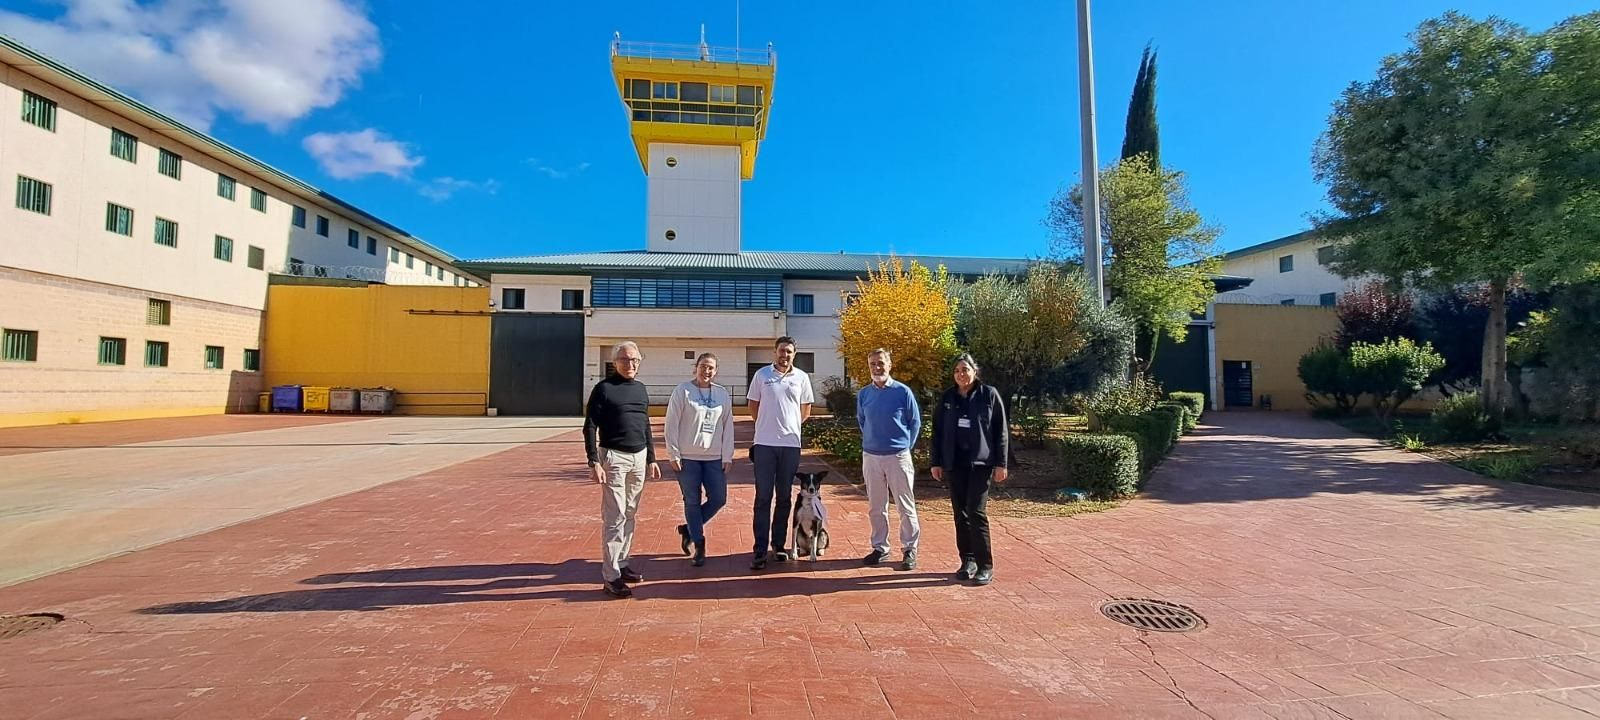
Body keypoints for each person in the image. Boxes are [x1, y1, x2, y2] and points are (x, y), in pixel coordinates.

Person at [583, 341, 661, 598]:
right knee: (614, 517)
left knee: (630, 512)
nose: (631, 365)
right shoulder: (604, 389)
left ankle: (623, 563)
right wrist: (594, 460)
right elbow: (590, 425)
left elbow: (645, 425)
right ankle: (611, 576)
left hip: (639, 458)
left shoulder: (640, 389)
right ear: (615, 362)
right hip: (614, 458)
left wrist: (651, 458)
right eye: (626, 360)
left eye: (635, 360)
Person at [930, 353, 1009, 586]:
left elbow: (1000, 431)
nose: (961, 374)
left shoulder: (989, 395)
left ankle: (985, 565)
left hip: (980, 464)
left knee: (976, 512)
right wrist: (936, 462)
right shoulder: (947, 398)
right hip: (955, 464)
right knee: (960, 514)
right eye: (957, 371)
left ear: (975, 371)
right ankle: (968, 560)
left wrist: (1001, 463)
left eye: (965, 369)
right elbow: (937, 432)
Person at [745, 336, 814, 570]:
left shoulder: (802, 378)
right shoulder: (762, 376)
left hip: (790, 446)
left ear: (795, 354)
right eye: (782, 351)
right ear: (775, 352)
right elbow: (753, 406)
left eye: (790, 352)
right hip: (764, 445)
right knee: (763, 497)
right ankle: (759, 550)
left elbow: (805, 410)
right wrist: (767, 426)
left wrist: (789, 428)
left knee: (784, 498)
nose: (785, 355)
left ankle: (778, 546)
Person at [665, 352, 734, 567]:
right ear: (696, 367)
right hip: (688, 458)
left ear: (716, 371)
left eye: (711, 367)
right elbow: (671, 423)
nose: (707, 371)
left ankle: (688, 529)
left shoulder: (722, 394)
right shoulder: (683, 391)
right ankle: (699, 543)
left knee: (719, 498)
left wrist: (727, 455)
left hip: (714, 457)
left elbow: (727, 426)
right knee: (692, 501)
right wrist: (673, 453)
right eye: (703, 366)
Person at [856, 348, 922, 571]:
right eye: (873, 363)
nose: (877, 367)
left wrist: (904, 447)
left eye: (881, 363)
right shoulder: (864, 394)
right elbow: (862, 421)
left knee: (905, 505)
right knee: (876, 506)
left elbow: (915, 422)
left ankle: (909, 549)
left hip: (898, 457)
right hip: (872, 456)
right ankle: (880, 548)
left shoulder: (903, 392)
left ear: (889, 364)